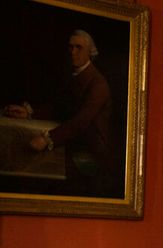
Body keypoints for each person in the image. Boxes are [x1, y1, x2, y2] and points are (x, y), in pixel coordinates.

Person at [3, 29, 116, 195]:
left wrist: (48, 139)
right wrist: (29, 113)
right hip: (72, 141)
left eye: (79, 48)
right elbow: (59, 107)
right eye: (70, 47)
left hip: (90, 152)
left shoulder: (98, 84)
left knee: (39, 175)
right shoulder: (74, 75)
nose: (73, 52)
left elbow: (81, 122)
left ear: (90, 53)